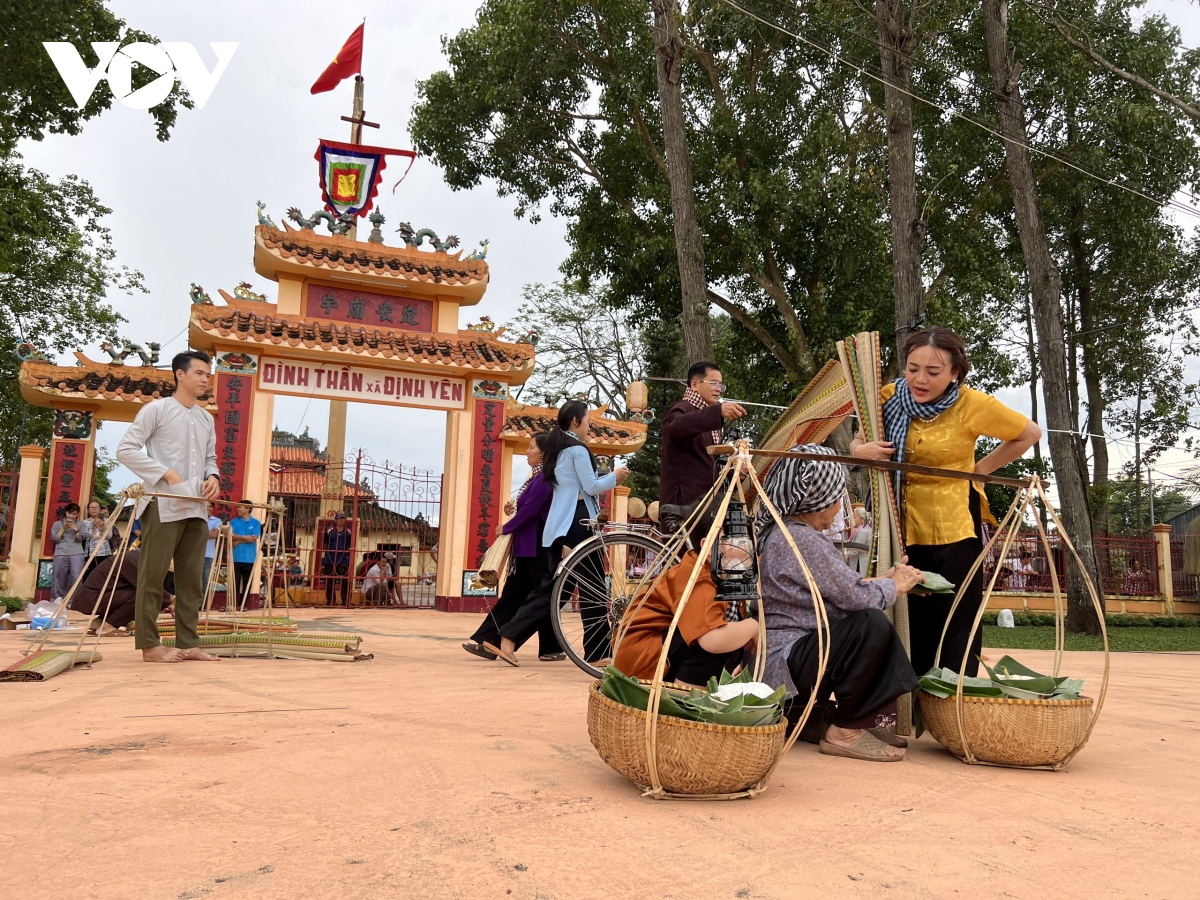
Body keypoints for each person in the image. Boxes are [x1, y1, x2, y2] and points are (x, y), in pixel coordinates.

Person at [851, 326, 1040, 678]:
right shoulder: (889, 397)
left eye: (933, 372)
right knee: (907, 611)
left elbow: (1028, 434)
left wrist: (979, 472)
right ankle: (906, 700)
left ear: (955, 373)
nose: (919, 379)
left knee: (954, 614)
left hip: (953, 523)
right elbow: (860, 437)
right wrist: (860, 450)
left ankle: (952, 696)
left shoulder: (972, 404)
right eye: (912, 368)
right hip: (900, 521)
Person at [757, 446, 924, 762]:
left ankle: (859, 720)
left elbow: (842, 589)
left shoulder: (787, 532)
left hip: (792, 656)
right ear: (817, 497)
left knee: (867, 621)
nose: (838, 509)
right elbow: (856, 598)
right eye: (837, 498)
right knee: (871, 624)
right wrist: (895, 586)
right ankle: (845, 730)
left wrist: (889, 579)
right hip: (788, 660)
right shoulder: (801, 538)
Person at [486, 401, 628, 666]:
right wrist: (615, 477)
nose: (589, 426)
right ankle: (598, 652)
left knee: (554, 590)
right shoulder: (576, 449)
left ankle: (508, 637)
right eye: (587, 421)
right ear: (575, 421)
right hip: (578, 521)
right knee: (593, 587)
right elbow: (592, 485)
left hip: (558, 524)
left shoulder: (556, 450)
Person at [115, 349, 222, 663]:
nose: (205, 379)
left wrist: (212, 477)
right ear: (180, 374)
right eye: (199, 373)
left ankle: (189, 643)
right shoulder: (156, 410)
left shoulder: (206, 418)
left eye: (207, 374)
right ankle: (150, 646)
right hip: (162, 503)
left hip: (197, 506)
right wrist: (165, 473)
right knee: (153, 574)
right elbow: (126, 449)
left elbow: (209, 459)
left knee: (191, 578)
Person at [464, 434, 564, 662]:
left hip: (537, 546)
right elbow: (527, 508)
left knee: (535, 597)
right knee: (528, 597)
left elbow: (531, 512)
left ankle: (493, 640)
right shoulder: (536, 478)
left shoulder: (545, 479)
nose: (527, 451)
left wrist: (507, 527)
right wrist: (514, 511)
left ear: (544, 453)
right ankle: (489, 640)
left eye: (531, 447)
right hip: (527, 546)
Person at [613, 547, 758, 686]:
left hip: (664, 650)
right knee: (715, 636)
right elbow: (711, 638)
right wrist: (754, 627)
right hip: (642, 662)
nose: (745, 543)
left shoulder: (729, 573)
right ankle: (684, 702)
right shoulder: (700, 574)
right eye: (735, 538)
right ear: (709, 549)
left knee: (729, 636)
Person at [658, 361, 746, 543]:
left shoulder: (707, 419)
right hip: (683, 504)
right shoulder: (683, 408)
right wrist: (718, 411)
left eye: (721, 385)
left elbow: (709, 467)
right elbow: (672, 428)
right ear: (694, 384)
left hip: (704, 506)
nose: (718, 389)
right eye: (713, 383)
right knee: (683, 565)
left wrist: (736, 472)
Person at [68, 550, 172, 636]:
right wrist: (171, 601)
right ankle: (107, 626)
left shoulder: (138, 558)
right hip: (93, 599)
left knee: (143, 594)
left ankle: (100, 621)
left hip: (100, 596)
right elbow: (149, 588)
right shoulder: (134, 560)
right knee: (142, 596)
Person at [229, 499, 262, 608]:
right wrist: (244, 538)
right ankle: (232, 605)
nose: (238, 509)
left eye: (240, 507)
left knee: (248, 583)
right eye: (238, 507)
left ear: (248, 509)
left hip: (250, 558)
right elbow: (230, 535)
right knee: (235, 584)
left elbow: (253, 538)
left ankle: (242, 605)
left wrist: (238, 540)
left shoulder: (256, 523)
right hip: (236, 557)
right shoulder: (233, 522)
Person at [50, 502, 86, 600]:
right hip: (61, 552)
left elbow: (80, 539)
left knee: (76, 576)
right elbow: (55, 539)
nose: (71, 516)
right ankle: (57, 599)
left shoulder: (81, 524)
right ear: (65, 512)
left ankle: (72, 600)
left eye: (74, 514)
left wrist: (76, 530)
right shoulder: (57, 524)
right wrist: (63, 529)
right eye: (70, 513)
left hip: (77, 552)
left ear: (77, 514)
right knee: (59, 576)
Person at [80, 500, 119, 578]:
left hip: (104, 551)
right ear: (88, 510)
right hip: (90, 552)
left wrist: (103, 527)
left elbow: (109, 536)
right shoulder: (85, 522)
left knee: (104, 573)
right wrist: (94, 526)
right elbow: (86, 536)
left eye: (96, 507)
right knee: (90, 574)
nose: (94, 509)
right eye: (92, 507)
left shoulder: (107, 521)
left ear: (100, 510)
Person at [322, 512, 353, 606]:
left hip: (344, 559)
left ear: (345, 519)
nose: (341, 520)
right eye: (339, 518)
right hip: (330, 558)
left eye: (343, 518)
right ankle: (330, 601)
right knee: (330, 580)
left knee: (345, 581)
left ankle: (345, 601)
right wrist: (327, 553)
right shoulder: (329, 531)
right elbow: (325, 544)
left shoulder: (349, 532)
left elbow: (351, 544)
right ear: (335, 520)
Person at [201, 503, 223, 594]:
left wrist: (198, 535)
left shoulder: (217, 520)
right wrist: (207, 534)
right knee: (194, 580)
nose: (208, 508)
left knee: (206, 580)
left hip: (209, 555)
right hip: (195, 554)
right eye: (205, 506)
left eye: (210, 506)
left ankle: (202, 605)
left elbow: (215, 534)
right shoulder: (196, 520)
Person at [846, 505, 873, 576]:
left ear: (862, 519)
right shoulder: (866, 529)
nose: (853, 520)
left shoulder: (863, 531)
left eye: (854, 517)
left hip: (859, 563)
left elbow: (856, 550)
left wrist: (845, 554)